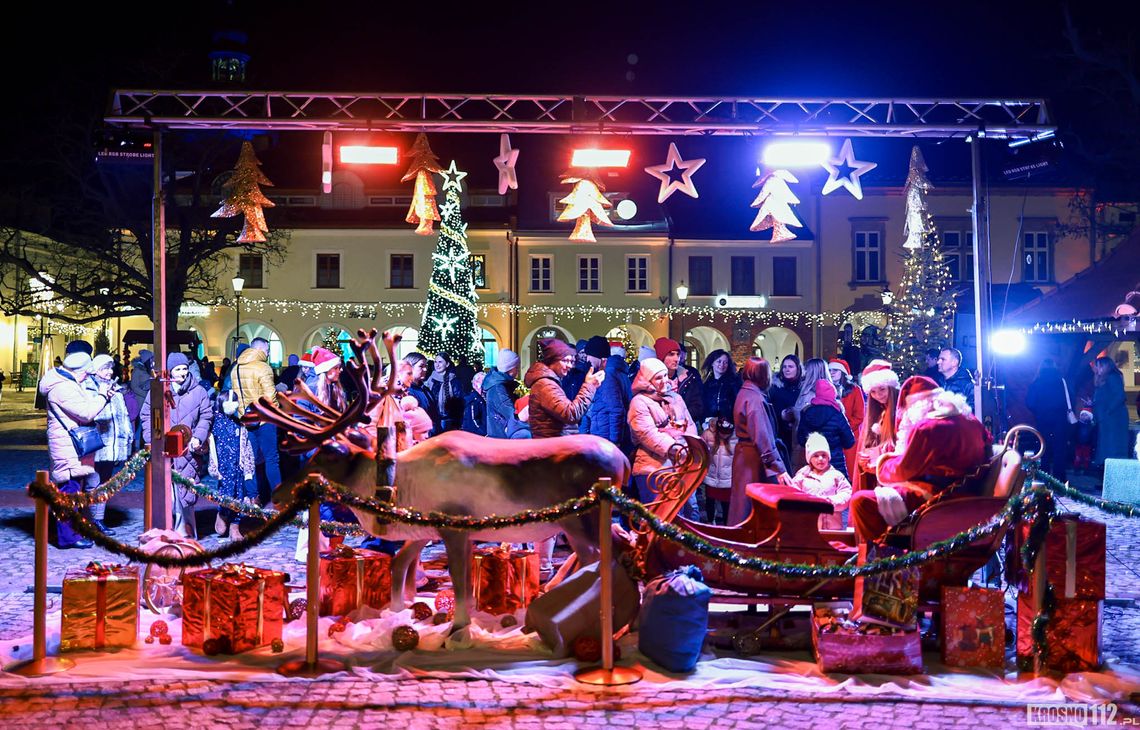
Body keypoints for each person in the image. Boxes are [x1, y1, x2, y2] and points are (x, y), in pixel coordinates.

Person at [849, 379, 988, 543]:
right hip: (969, 490)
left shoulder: (927, 427)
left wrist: (880, 464)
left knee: (862, 501)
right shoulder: (971, 420)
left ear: (917, 406)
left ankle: (888, 554)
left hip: (939, 495)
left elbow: (905, 469)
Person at [524, 337, 604, 577]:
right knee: (553, 515)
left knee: (561, 514)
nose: (570, 365)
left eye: (572, 360)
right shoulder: (545, 385)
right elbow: (571, 413)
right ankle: (544, 568)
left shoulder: (549, 382)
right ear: (552, 361)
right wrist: (589, 386)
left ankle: (555, 566)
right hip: (553, 457)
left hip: (557, 454)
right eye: (566, 360)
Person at [41, 341, 113, 548]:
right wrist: (102, 396)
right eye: (85, 373)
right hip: (67, 447)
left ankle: (73, 533)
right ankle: (67, 538)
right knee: (68, 493)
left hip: (71, 446)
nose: (87, 377)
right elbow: (86, 412)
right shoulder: (63, 388)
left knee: (74, 491)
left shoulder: (68, 383)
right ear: (77, 370)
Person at [142, 353, 213, 538]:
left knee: (187, 492)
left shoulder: (199, 392)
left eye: (184, 369)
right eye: (177, 369)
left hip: (188, 449)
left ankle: (186, 535)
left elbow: (206, 416)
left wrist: (198, 436)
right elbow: (146, 415)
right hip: (164, 447)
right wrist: (152, 440)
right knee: (166, 493)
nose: (182, 373)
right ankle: (166, 532)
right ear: (170, 371)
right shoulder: (158, 390)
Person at [628, 357, 699, 519]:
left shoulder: (675, 398)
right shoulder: (639, 402)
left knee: (688, 512)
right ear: (647, 380)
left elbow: (689, 424)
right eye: (658, 378)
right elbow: (647, 434)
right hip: (653, 467)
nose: (664, 380)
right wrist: (674, 448)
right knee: (659, 516)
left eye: (665, 376)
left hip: (682, 464)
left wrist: (692, 447)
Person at [728, 357, 792, 525]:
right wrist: (778, 467)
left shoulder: (746, 392)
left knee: (742, 504)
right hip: (754, 460)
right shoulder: (755, 399)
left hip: (747, 456)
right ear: (763, 375)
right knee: (750, 508)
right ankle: (746, 546)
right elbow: (762, 436)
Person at [87, 354, 132, 535]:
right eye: (105, 368)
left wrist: (127, 438)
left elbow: (123, 416)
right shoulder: (89, 388)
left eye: (110, 368)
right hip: (97, 444)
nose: (109, 372)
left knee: (105, 483)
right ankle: (89, 520)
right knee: (93, 483)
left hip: (112, 446)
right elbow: (91, 414)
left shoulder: (115, 389)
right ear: (96, 370)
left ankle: (98, 519)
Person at [232, 336, 280, 502]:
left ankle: (253, 497)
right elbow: (270, 397)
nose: (267, 353)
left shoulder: (236, 368)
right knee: (271, 459)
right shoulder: (263, 368)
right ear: (260, 349)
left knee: (249, 460)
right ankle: (279, 498)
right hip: (265, 420)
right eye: (267, 350)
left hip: (245, 419)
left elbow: (237, 396)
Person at [210, 386, 256, 540]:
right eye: (229, 401)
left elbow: (246, 446)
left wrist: (248, 469)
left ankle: (235, 526)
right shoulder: (215, 422)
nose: (232, 404)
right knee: (225, 493)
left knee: (239, 495)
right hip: (223, 468)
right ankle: (222, 514)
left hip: (238, 468)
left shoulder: (239, 424)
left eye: (235, 401)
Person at [580, 337, 634, 455]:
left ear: (597, 356)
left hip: (606, 439)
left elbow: (616, 410)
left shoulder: (607, 376)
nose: (588, 359)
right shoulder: (617, 372)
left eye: (589, 355)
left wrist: (615, 442)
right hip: (606, 436)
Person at [853, 359, 900, 492]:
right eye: (873, 392)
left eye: (882, 389)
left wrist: (880, 454)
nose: (878, 395)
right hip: (878, 476)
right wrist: (865, 457)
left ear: (891, 387)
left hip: (894, 478)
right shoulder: (878, 411)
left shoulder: (901, 412)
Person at [796, 378, 856, 480]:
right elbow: (849, 441)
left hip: (813, 463)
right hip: (836, 464)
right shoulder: (837, 414)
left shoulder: (806, 412)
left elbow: (801, 440)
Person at [791, 432, 853, 530]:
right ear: (809, 458)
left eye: (824, 455)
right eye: (816, 455)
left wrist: (829, 502)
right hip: (808, 527)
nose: (820, 459)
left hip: (833, 529)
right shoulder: (801, 477)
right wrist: (808, 503)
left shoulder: (836, 475)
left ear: (828, 457)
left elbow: (847, 494)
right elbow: (792, 495)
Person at [1024, 358, 1071, 482]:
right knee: (1059, 450)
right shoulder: (1061, 381)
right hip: (1059, 420)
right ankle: (1059, 479)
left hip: (1043, 419)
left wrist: (1039, 411)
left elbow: (1030, 402)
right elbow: (1068, 399)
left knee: (1042, 448)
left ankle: (1043, 478)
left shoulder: (1037, 382)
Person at [828, 358, 865, 481]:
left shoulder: (854, 390)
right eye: (830, 370)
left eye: (835, 370)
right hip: (833, 437)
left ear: (843, 373)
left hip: (850, 437)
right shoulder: (827, 390)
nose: (832, 373)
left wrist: (843, 428)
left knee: (850, 471)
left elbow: (859, 416)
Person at [655, 337, 705, 427]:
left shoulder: (688, 377)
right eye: (671, 354)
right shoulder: (654, 380)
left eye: (678, 354)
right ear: (662, 357)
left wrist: (681, 419)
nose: (676, 358)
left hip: (685, 427)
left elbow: (697, 405)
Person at [1092, 355, 1130, 466]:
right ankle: (1105, 469)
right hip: (1107, 418)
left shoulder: (1113, 377)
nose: (1096, 369)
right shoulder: (1104, 378)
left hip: (1114, 418)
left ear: (1105, 366)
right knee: (1106, 445)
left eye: (1098, 366)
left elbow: (1119, 396)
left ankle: (1112, 470)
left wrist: (1107, 410)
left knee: (1113, 446)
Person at [700, 417, 736, 524]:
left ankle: (726, 527)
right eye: (722, 433)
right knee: (710, 502)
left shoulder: (736, 439)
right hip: (711, 477)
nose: (724, 436)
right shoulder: (709, 435)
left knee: (726, 505)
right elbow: (700, 448)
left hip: (727, 479)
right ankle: (710, 522)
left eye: (727, 433)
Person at [484, 349, 523, 438]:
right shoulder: (498, 389)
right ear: (508, 368)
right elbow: (511, 414)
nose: (518, 370)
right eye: (516, 367)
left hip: (500, 435)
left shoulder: (501, 385)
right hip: (501, 437)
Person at [769, 354, 803, 453]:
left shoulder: (803, 388)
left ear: (798, 368)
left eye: (790, 366)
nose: (787, 369)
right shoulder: (775, 388)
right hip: (779, 435)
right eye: (784, 367)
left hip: (798, 436)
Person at [425, 352, 463, 433]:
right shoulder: (430, 380)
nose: (437, 365)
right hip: (432, 421)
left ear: (447, 364)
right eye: (435, 362)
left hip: (449, 422)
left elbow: (459, 404)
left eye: (440, 362)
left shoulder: (454, 381)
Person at [701, 349, 741, 424]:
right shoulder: (706, 384)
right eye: (719, 361)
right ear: (712, 363)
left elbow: (737, 404)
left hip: (729, 423)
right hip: (709, 423)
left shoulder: (734, 382)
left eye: (725, 362)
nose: (722, 365)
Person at [402, 352, 438, 435]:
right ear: (410, 368)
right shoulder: (406, 391)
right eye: (421, 366)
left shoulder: (425, 389)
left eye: (426, 366)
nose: (425, 369)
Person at [461, 371, 487, 436]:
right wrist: (484, 432)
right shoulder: (473, 400)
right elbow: (472, 420)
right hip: (475, 436)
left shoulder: (481, 398)